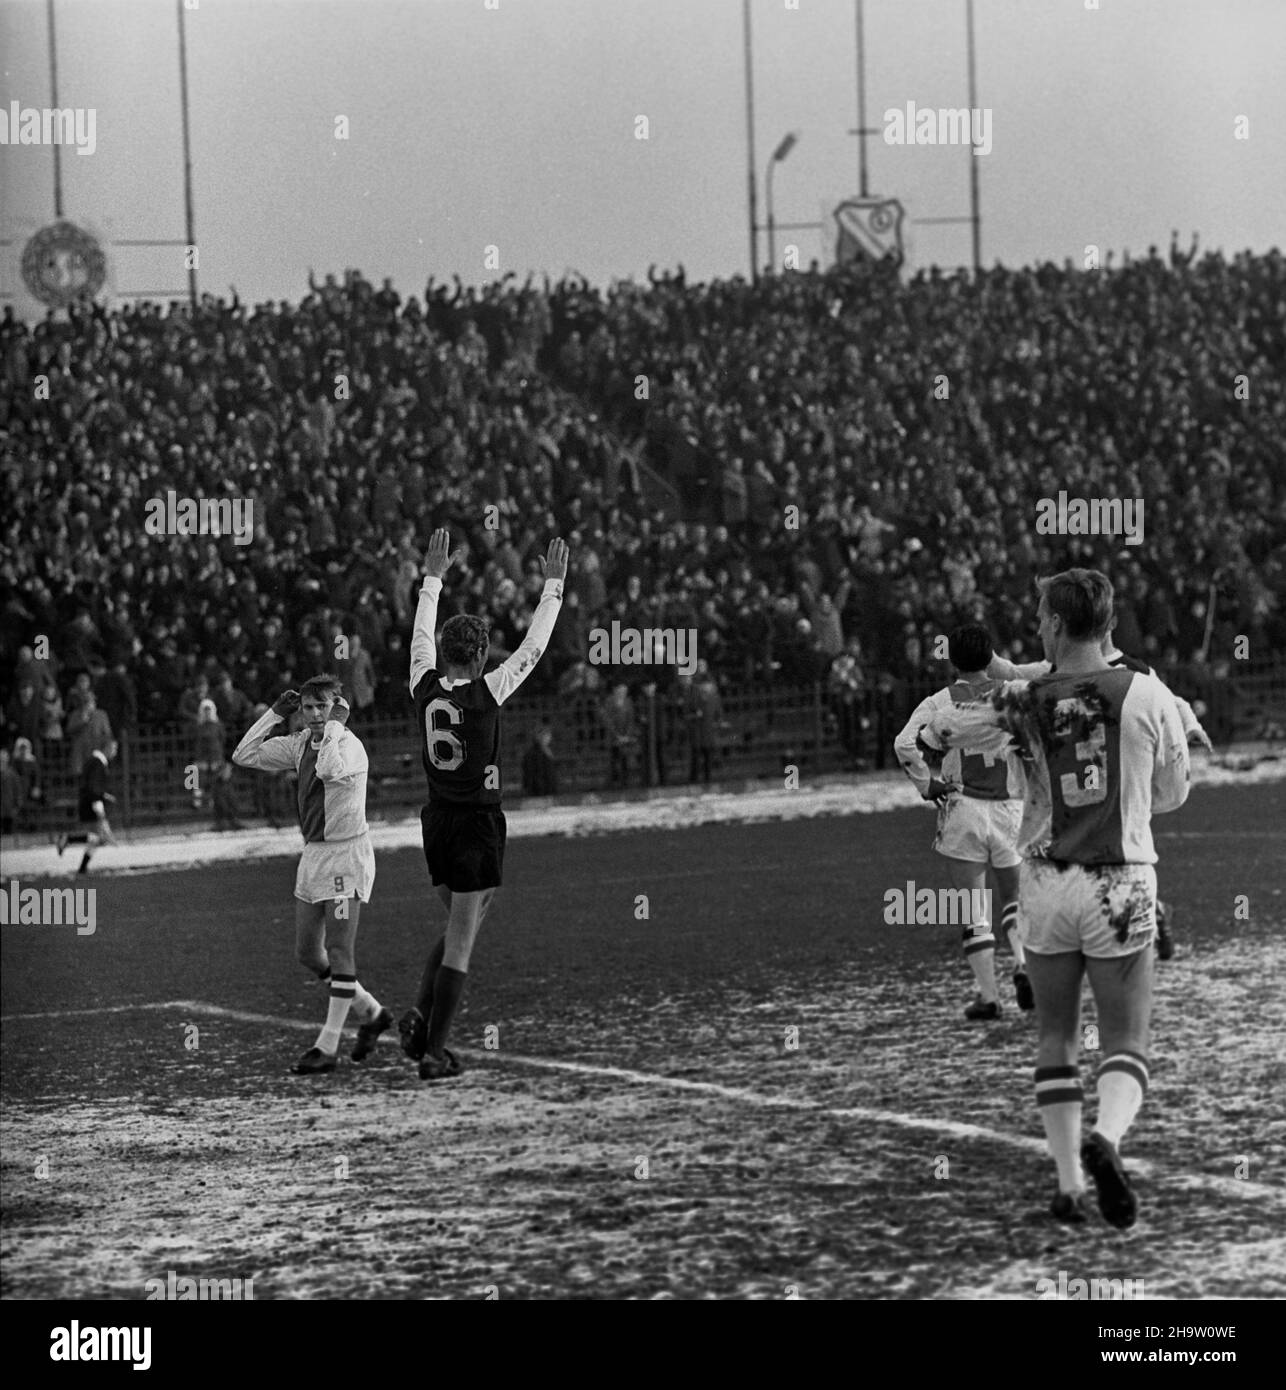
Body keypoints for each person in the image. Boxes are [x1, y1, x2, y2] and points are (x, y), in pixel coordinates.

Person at [926, 570, 1190, 1228]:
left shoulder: (1022, 700)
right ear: (1107, 623)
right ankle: (1109, 1137)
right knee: (1126, 1037)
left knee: (1056, 1035)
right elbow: (1174, 793)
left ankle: (1069, 1185)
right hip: (1122, 881)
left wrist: (974, 672)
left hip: (1043, 883)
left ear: (1053, 624)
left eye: (1041, 613)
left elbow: (961, 723)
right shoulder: (1148, 692)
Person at [400, 527, 568, 1081]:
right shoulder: (488, 690)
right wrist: (553, 589)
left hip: (435, 821)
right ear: (478, 655)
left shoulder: (422, 683)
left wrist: (432, 578)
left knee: (463, 925)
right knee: (463, 941)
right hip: (476, 823)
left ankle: (420, 1020)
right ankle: (432, 1050)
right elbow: (534, 649)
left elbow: (421, 631)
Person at [232, 674, 392, 1074]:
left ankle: (328, 1046)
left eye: (324, 706)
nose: (316, 714)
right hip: (315, 857)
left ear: (337, 707)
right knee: (307, 952)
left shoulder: (350, 747)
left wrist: (334, 727)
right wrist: (273, 714)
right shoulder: (301, 742)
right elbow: (244, 755)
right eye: (308, 708)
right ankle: (372, 1013)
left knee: (339, 951)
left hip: (346, 857)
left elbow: (327, 769)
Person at [894, 623, 1033, 1020]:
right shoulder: (1013, 696)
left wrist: (926, 783)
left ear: (951, 659)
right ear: (990, 657)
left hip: (961, 808)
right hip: (1008, 807)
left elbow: (903, 743)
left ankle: (989, 998)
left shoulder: (938, 702)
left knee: (973, 909)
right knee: (1015, 899)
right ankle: (1022, 963)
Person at [55, 739, 119, 874]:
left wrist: (104, 796)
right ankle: (67, 838)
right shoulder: (98, 763)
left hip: (89, 801)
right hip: (91, 803)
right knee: (100, 838)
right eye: (114, 749)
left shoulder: (94, 761)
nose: (115, 752)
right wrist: (99, 803)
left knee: (97, 839)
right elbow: (94, 787)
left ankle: (82, 867)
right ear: (106, 748)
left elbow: (91, 785)